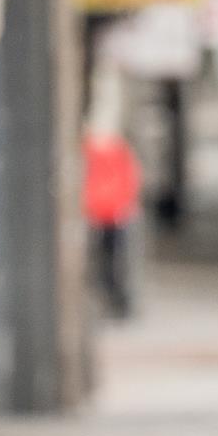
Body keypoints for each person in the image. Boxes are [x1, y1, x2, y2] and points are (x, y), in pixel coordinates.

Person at [82, 126, 142, 318]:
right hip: (100, 213)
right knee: (107, 261)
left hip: (111, 214)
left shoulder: (115, 152)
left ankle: (117, 301)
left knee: (114, 260)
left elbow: (128, 180)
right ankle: (110, 299)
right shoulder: (93, 151)